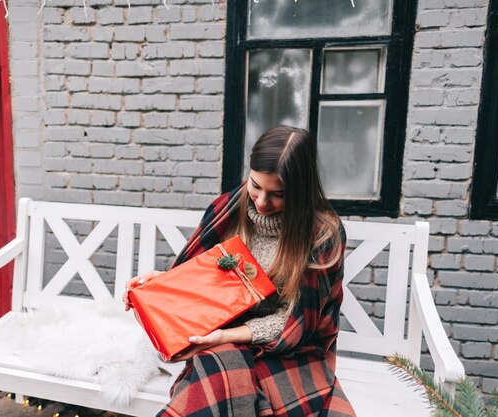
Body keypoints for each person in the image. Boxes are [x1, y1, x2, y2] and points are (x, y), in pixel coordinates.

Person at [123, 125, 356, 417]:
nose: (261, 201)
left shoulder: (322, 235)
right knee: (219, 365)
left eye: (278, 194)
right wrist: (166, 283)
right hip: (222, 332)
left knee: (219, 373)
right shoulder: (226, 210)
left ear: (300, 190)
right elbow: (203, 280)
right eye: (255, 186)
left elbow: (295, 324)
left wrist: (227, 336)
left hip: (289, 349)